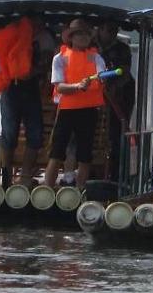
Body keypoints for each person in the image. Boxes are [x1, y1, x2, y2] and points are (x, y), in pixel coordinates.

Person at [43, 19, 106, 189]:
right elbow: (59, 86)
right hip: (66, 111)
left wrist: (101, 77)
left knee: (85, 154)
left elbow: (101, 76)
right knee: (57, 152)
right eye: (79, 34)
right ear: (71, 37)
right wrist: (77, 86)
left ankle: (79, 191)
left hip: (89, 111)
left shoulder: (96, 57)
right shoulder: (60, 58)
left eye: (86, 34)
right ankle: (47, 190)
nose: (83, 37)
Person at [0, 15, 55, 187]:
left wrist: (35, 70)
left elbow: (47, 62)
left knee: (35, 133)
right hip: (10, 87)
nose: (35, 26)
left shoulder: (43, 38)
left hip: (31, 87)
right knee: (9, 133)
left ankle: (24, 176)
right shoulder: (11, 34)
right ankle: (6, 178)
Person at [97, 21, 136, 181]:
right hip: (95, 95)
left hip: (120, 96)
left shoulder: (122, 49)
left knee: (117, 134)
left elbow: (125, 73)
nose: (112, 33)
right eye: (109, 30)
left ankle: (117, 177)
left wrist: (114, 90)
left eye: (115, 30)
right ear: (100, 29)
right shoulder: (91, 46)